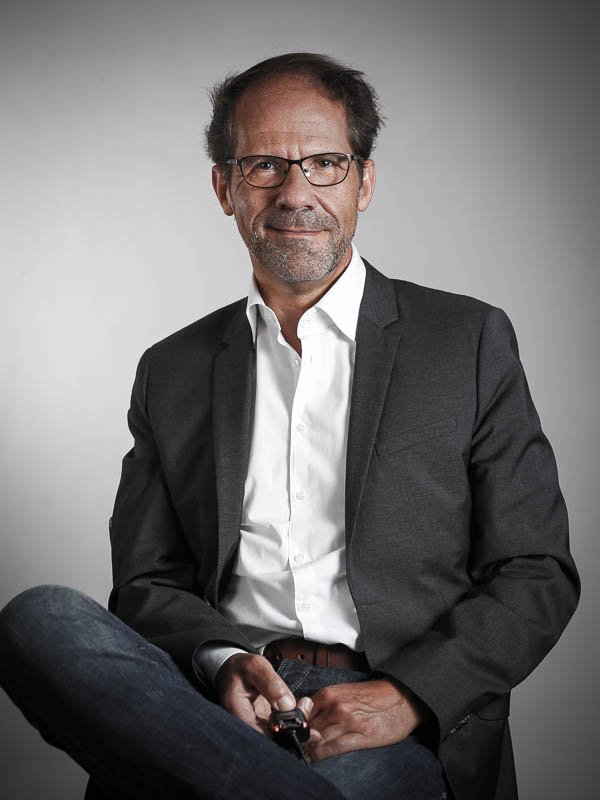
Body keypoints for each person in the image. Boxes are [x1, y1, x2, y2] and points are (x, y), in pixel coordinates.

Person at [0, 52, 580, 800]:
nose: (296, 192)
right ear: (225, 188)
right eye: (265, 165)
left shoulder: (465, 341)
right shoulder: (171, 370)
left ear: (365, 182)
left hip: (387, 714)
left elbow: (536, 572)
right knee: (41, 619)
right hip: (215, 704)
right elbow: (147, 582)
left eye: (325, 164)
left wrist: (406, 697)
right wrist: (220, 661)